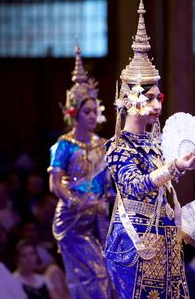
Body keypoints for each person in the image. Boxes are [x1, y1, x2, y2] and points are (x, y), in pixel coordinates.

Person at [105, 0, 195, 299]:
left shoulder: (156, 143)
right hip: (134, 247)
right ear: (128, 100)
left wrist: (193, 238)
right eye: (149, 97)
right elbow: (135, 186)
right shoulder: (117, 148)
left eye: (158, 97)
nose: (156, 104)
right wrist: (172, 167)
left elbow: (165, 201)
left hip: (166, 245)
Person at [48, 45, 115, 298]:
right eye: (87, 112)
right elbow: (55, 185)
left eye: (95, 112)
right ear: (73, 113)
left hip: (98, 215)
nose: (92, 116)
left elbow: (107, 182)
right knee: (91, 276)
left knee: (107, 273)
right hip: (72, 219)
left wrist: (105, 201)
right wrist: (77, 201)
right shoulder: (63, 145)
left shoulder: (102, 144)